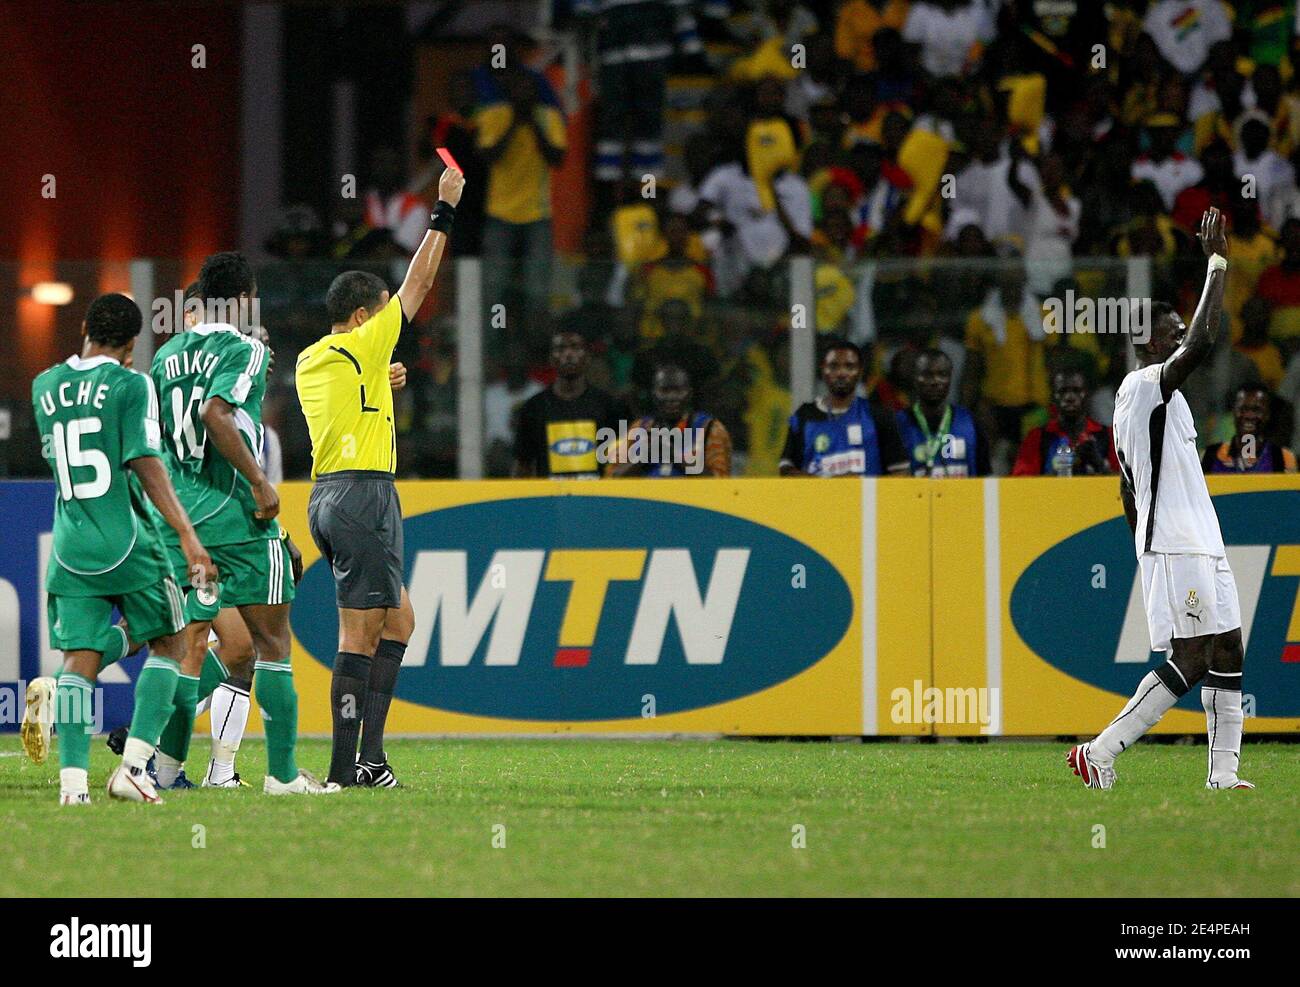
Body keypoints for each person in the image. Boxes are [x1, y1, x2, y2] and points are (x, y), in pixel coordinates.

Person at [1070, 208, 1254, 792]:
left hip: (1191, 539)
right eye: (1167, 331)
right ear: (1142, 343)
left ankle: (1224, 777)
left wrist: (1139, 539)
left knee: (1227, 647)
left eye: (1178, 329)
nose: (1179, 335)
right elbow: (1203, 340)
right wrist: (1217, 263)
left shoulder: (1160, 402)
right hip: (1177, 542)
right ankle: (1099, 751)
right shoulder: (1143, 385)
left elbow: (1126, 485)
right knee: (1193, 655)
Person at [296, 165, 464, 788]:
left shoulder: (319, 358)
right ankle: (343, 773)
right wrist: (443, 211)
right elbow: (419, 282)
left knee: (399, 622)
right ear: (365, 315)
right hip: (363, 493)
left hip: (331, 496)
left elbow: (359, 390)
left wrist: (383, 379)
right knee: (359, 635)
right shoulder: (364, 345)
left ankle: (371, 760)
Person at [23, 293, 216, 804]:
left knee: (79, 660)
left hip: (70, 544)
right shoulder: (133, 384)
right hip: (129, 539)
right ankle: (133, 768)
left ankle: (71, 790)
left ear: (84, 325)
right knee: (173, 641)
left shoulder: (45, 386)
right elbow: (144, 462)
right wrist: (186, 534)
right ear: (132, 346)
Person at [147, 253, 327, 795]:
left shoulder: (165, 355)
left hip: (184, 522)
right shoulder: (246, 348)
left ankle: (161, 764)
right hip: (236, 518)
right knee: (271, 645)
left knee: (192, 646)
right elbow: (215, 415)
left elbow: (161, 440)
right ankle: (283, 775)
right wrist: (258, 481)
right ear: (247, 298)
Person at [780, 338, 908, 476]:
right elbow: (787, 470)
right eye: (834, 366)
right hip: (817, 498)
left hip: (866, 498)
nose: (841, 373)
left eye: (849, 366)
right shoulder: (804, 415)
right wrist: (829, 487)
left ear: (860, 371)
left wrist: (862, 488)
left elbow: (900, 472)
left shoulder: (880, 416)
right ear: (823, 370)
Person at [514, 329, 627, 479]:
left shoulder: (609, 406)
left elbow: (624, 460)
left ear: (587, 357)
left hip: (598, 499)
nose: (568, 354)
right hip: (550, 500)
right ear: (551, 359)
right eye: (560, 349)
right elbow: (523, 465)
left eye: (575, 348)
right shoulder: (534, 408)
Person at [604, 363, 732, 477]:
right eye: (664, 391)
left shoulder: (710, 428)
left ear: (689, 393)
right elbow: (612, 477)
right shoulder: (640, 427)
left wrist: (673, 455)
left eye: (678, 391)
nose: (671, 397)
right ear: (653, 393)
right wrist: (644, 456)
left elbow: (720, 482)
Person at [896, 348, 988, 477]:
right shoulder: (897, 425)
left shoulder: (971, 422)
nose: (935, 381)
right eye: (927, 375)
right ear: (914, 378)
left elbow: (985, 475)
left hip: (964, 497)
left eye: (942, 375)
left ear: (950, 378)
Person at [1012, 369, 1119, 476]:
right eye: (1062, 391)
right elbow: (1021, 483)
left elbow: (1126, 484)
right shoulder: (1037, 437)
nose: (1069, 397)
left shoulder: (1108, 436)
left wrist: (1100, 465)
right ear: (1053, 397)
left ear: (1087, 395)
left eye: (1077, 391)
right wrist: (1060, 472)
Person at [1202, 384, 1298, 473]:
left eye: (1256, 410)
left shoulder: (1283, 458)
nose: (1249, 415)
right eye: (1243, 409)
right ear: (1233, 412)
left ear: (1267, 415)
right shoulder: (1209, 456)